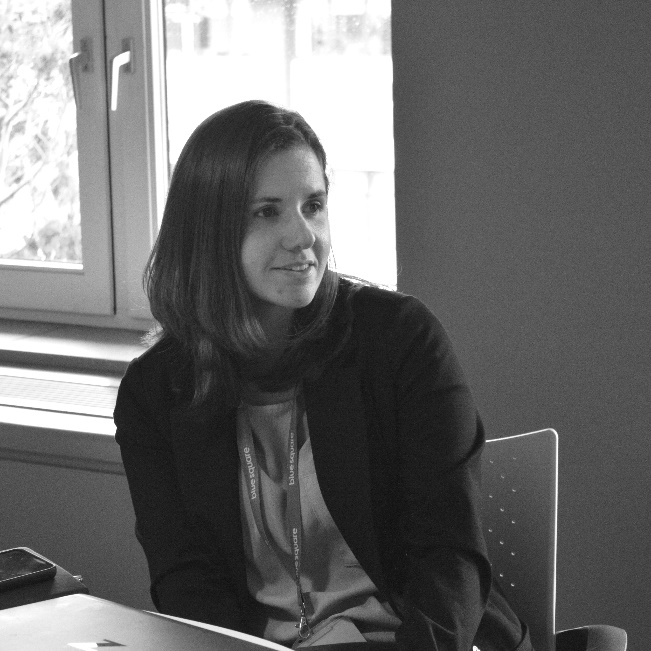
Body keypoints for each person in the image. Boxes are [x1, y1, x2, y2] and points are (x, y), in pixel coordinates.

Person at [114, 100, 531, 651]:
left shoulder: (399, 340)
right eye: (267, 212)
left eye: (313, 206)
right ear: (207, 231)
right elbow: (185, 583)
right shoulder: (154, 392)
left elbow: (450, 558)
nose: (303, 236)